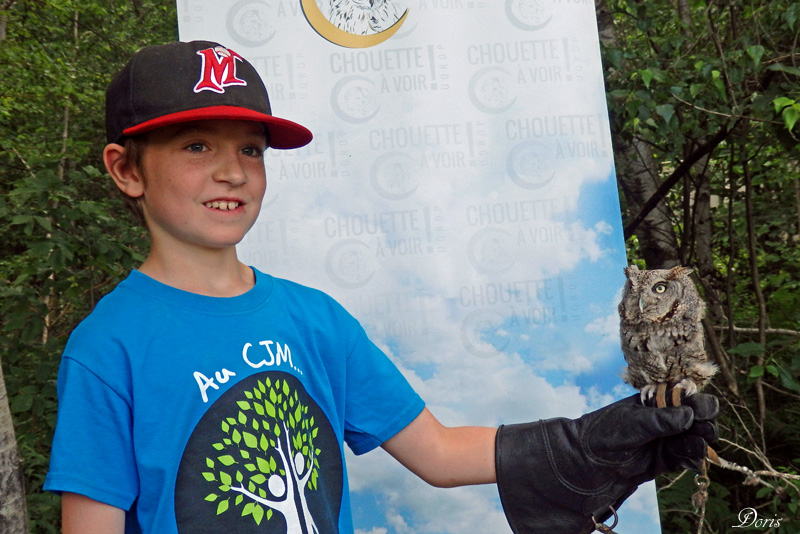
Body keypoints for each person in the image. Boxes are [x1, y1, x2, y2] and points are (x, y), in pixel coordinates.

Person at [44, 40, 718, 534]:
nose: (232, 172)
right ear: (126, 169)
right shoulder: (108, 348)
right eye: (197, 147)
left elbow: (439, 453)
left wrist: (591, 439)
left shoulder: (313, 319)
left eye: (251, 148)